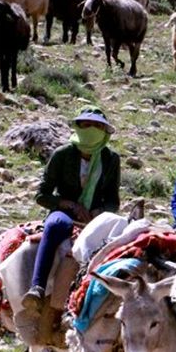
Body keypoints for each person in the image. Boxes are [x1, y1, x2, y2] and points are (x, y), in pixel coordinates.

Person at [23, 109, 121, 308]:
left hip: (96, 216)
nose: (91, 130)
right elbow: (42, 195)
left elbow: (113, 200)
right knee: (56, 225)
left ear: (105, 132)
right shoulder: (63, 154)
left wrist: (98, 211)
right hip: (65, 212)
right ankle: (37, 287)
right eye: (86, 125)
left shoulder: (111, 159)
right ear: (78, 127)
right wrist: (68, 204)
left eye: (98, 126)